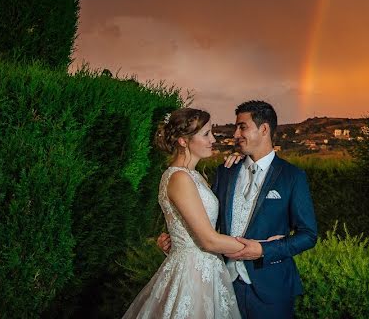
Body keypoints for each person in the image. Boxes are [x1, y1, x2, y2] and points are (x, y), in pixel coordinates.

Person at [158, 101, 317, 319]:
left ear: (264, 129)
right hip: (222, 284)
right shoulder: (225, 172)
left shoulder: (292, 176)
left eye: (242, 127)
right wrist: (177, 240)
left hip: (271, 288)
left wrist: (264, 250)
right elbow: (204, 221)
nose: (235, 134)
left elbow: (308, 235)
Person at [124, 108, 250, 319]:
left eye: (212, 133)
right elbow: (209, 240)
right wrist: (259, 247)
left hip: (206, 269)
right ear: (183, 141)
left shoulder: (195, 176)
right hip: (192, 275)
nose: (213, 139)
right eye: (206, 134)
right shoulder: (179, 178)